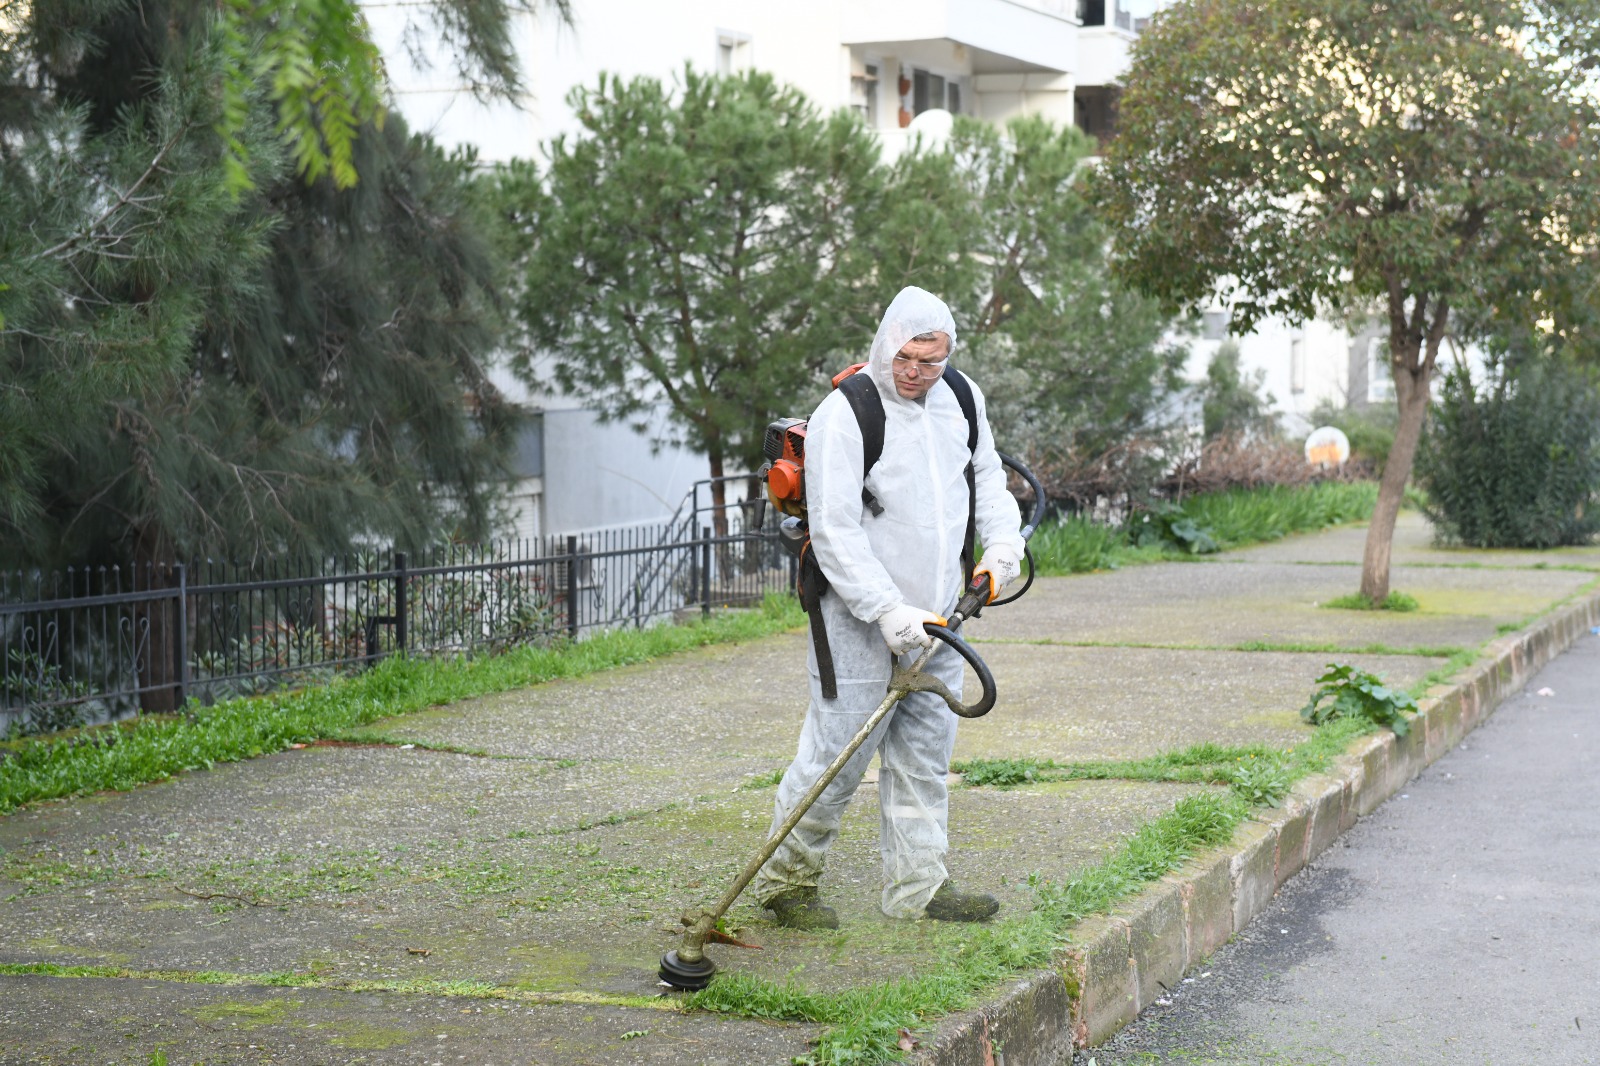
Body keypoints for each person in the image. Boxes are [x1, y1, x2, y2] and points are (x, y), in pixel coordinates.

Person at [750, 286, 1024, 929]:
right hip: (857, 614)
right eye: (906, 358)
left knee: (925, 754)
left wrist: (1003, 544)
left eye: (931, 362)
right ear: (886, 344)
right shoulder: (847, 413)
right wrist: (884, 610)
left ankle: (919, 887)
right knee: (839, 751)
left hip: (940, 612)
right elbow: (836, 530)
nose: (917, 374)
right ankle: (784, 883)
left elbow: (986, 480)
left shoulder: (962, 398)